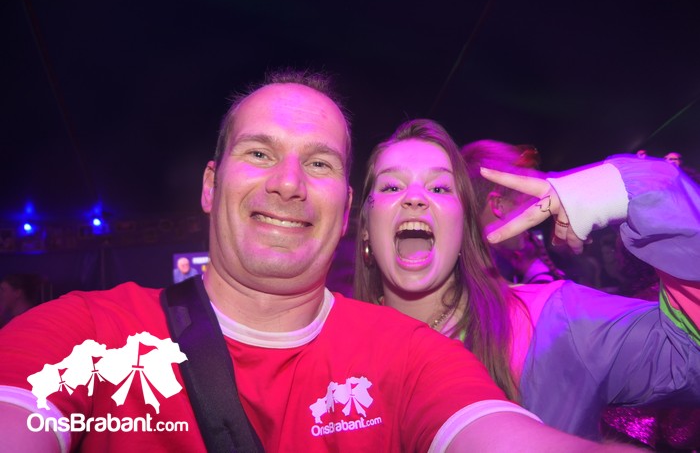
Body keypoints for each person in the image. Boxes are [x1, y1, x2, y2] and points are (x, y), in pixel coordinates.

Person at [0, 72, 639, 453]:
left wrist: (639, 188)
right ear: (210, 185)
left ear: (347, 206)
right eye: (259, 153)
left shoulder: (407, 355)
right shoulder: (86, 334)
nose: (288, 183)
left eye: (319, 162)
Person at [354, 118, 700, 441]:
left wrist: (638, 188)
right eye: (392, 186)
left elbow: (689, 354)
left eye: (440, 188)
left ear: (463, 229)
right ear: (366, 227)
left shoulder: (554, 322)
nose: (415, 198)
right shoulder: (337, 352)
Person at [460, 140, 565, 285]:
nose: (532, 221)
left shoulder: (464, 269)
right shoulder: (495, 288)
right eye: (526, 205)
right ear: (499, 205)